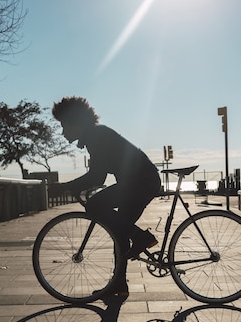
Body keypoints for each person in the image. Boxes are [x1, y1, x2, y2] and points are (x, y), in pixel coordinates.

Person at [52, 96, 161, 297]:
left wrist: (65, 187)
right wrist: (73, 187)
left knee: (94, 206)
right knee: (119, 230)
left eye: (64, 125)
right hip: (138, 183)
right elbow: (98, 176)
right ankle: (119, 285)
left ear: (76, 122)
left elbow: (97, 176)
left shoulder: (97, 136)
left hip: (140, 183)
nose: (62, 131)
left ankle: (140, 236)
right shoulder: (95, 135)